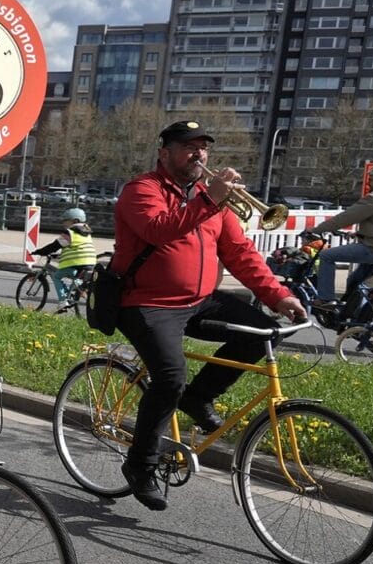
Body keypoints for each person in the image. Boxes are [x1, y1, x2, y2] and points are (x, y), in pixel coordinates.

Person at [111, 120, 305, 510]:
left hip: (198, 299)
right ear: (164, 153)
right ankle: (140, 465)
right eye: (188, 146)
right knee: (169, 377)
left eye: (203, 147)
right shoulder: (142, 189)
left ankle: (198, 399)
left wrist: (278, 296)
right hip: (147, 302)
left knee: (263, 330)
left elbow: (240, 254)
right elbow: (158, 230)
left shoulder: (211, 199)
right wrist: (208, 201)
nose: (198, 153)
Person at [303, 162, 373, 308]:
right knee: (356, 281)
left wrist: (315, 230)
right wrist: (359, 234)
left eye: (372, 179)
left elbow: (345, 218)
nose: (369, 183)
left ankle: (326, 299)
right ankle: (356, 316)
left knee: (327, 256)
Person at [30, 207, 97, 311]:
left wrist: (40, 251)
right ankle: (77, 291)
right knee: (76, 280)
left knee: (57, 276)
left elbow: (55, 246)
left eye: (66, 221)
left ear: (75, 221)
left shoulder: (70, 232)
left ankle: (63, 301)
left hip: (77, 263)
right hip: (90, 263)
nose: (64, 224)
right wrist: (59, 256)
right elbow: (76, 248)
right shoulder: (86, 233)